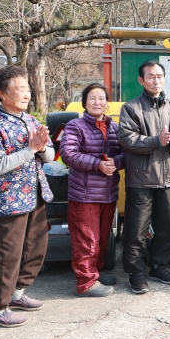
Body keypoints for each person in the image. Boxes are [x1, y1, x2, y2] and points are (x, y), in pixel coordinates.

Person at [0, 66, 54, 327]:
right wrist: (31, 149)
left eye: (28, 89)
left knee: (35, 247)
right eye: (20, 89)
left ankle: (17, 294)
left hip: (35, 194)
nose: (27, 94)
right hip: (7, 200)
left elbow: (50, 156)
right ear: (2, 93)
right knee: (8, 254)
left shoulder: (30, 120)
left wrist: (42, 148)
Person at [118, 60, 170, 294]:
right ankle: (136, 272)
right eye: (150, 76)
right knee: (137, 229)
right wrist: (155, 141)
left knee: (166, 226)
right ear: (141, 80)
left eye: (159, 76)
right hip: (141, 178)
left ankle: (159, 266)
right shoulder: (131, 108)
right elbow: (127, 139)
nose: (156, 80)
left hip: (169, 177)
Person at [60, 83, 125, 297]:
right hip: (84, 194)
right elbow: (68, 154)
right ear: (85, 103)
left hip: (108, 193)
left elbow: (125, 153)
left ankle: (94, 274)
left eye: (101, 98)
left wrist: (116, 162)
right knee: (86, 240)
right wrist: (98, 164)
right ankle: (85, 283)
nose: (97, 102)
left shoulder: (115, 127)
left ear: (107, 103)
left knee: (102, 240)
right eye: (92, 98)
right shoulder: (75, 126)